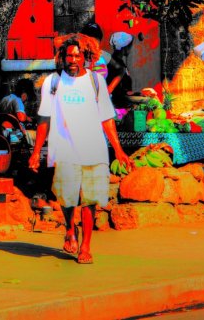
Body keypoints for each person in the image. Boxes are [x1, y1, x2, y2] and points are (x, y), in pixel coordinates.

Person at [28, 36, 132, 264]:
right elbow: (44, 119)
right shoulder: (53, 83)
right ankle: (69, 228)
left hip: (94, 150)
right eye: (69, 56)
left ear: (86, 57)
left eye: (77, 56)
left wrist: (119, 149)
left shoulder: (96, 82)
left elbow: (107, 118)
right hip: (64, 150)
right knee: (68, 199)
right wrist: (36, 152)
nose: (73, 60)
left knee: (90, 201)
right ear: (62, 58)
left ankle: (85, 246)